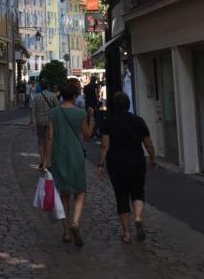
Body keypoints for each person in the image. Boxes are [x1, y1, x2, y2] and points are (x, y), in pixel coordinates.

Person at [97, 91, 156, 243]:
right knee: (137, 191)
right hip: (136, 161)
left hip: (116, 163)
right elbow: (148, 143)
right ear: (128, 105)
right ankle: (137, 217)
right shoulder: (138, 121)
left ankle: (127, 233)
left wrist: (101, 164)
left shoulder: (108, 122)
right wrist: (153, 158)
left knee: (121, 195)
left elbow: (104, 145)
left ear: (114, 106)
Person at [43, 80, 94, 246]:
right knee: (80, 191)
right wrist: (91, 118)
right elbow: (87, 136)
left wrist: (46, 159)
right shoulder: (80, 113)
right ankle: (75, 223)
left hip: (59, 155)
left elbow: (50, 137)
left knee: (64, 194)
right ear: (74, 95)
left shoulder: (54, 113)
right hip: (76, 155)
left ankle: (65, 232)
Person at [29, 78, 59, 168]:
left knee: (41, 142)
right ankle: (48, 163)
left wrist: (32, 122)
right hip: (50, 122)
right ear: (48, 86)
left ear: (40, 86)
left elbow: (32, 109)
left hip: (40, 122)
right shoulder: (53, 96)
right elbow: (57, 108)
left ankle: (42, 161)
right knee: (49, 142)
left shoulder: (37, 97)